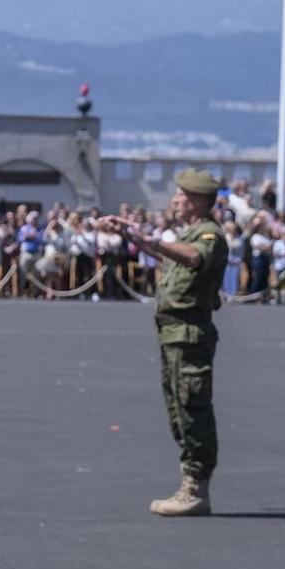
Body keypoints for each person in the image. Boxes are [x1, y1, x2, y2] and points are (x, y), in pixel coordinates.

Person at [99, 167, 229, 517]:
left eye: (182, 195)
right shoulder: (190, 232)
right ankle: (189, 484)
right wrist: (132, 236)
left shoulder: (209, 236)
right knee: (178, 411)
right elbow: (173, 254)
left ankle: (196, 489)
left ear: (199, 201)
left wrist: (151, 240)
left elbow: (193, 258)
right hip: (173, 332)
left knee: (192, 408)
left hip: (189, 333)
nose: (175, 200)